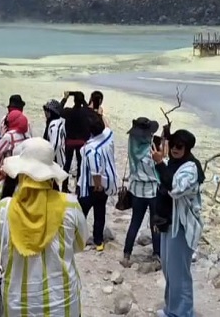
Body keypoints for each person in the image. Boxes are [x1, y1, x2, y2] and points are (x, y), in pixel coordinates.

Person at [0, 137, 89, 317]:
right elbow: (79, 245)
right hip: (63, 304)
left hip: (16, 305)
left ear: (21, 173)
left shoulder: (4, 209)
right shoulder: (70, 206)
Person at [155, 129, 203, 317]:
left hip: (182, 227)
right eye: (173, 144)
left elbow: (175, 188)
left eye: (179, 146)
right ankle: (172, 308)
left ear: (187, 148)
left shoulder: (190, 168)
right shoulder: (173, 164)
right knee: (169, 270)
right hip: (169, 224)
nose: (175, 149)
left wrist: (159, 163)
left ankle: (182, 313)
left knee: (179, 274)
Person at [122, 117, 162, 268]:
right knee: (155, 224)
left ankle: (127, 254)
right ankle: (157, 254)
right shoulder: (150, 151)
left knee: (135, 222)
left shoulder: (133, 146)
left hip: (137, 190)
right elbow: (158, 168)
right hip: (152, 190)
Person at [78, 115, 116, 251]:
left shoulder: (91, 148)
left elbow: (95, 171)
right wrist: (101, 115)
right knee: (100, 213)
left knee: (82, 212)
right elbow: (108, 127)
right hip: (105, 183)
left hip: (92, 185)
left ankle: (78, 238)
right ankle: (98, 240)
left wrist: (98, 185)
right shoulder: (108, 136)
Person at [0, 109, 29, 202]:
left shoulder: (9, 136)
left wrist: (0, 136)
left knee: (6, 198)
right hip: (22, 171)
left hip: (10, 173)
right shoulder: (25, 135)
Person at [59, 91, 92, 192]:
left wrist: (65, 98)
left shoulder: (68, 112)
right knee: (80, 165)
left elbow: (59, 109)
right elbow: (87, 107)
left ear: (73, 100)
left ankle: (64, 187)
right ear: (82, 101)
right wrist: (82, 100)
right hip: (81, 142)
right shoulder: (86, 112)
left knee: (67, 164)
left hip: (69, 141)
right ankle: (78, 188)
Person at [42, 99, 66, 168]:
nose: (45, 112)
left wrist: (49, 159)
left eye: (47, 110)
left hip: (56, 162)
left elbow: (55, 144)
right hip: (59, 160)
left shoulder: (54, 125)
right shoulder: (59, 121)